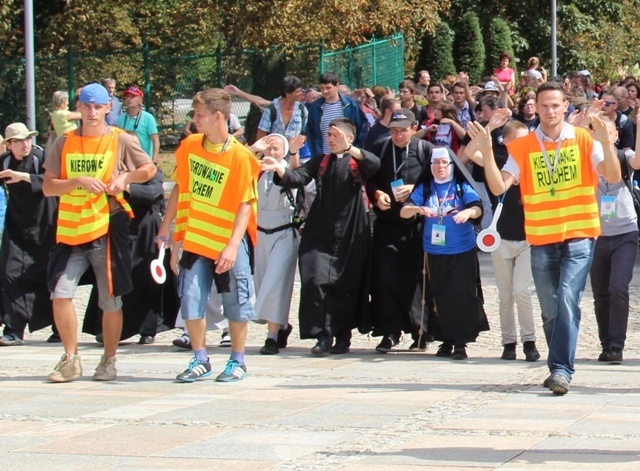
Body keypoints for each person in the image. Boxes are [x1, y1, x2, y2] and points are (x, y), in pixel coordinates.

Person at [469, 81, 621, 395]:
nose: (550, 111)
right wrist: (485, 152)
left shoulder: (583, 139)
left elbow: (613, 175)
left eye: (556, 105)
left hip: (579, 233)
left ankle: (562, 369)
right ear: (535, 108)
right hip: (540, 236)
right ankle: (558, 366)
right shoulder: (522, 147)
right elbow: (500, 187)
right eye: (544, 106)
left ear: (565, 106)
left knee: (567, 298)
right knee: (551, 308)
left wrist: (605, 143)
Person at [42, 83, 157, 382]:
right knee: (60, 293)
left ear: (109, 108)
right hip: (70, 229)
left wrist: (126, 178)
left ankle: (109, 359)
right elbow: (48, 185)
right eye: (87, 106)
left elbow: (149, 169)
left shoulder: (120, 139)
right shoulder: (63, 142)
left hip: (108, 226)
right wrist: (76, 181)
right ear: (77, 108)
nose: (92, 112)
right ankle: (70, 358)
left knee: (110, 300)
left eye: (98, 106)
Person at [157, 88, 260, 383]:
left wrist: (231, 246)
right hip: (194, 238)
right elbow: (180, 188)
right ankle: (200, 357)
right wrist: (168, 232)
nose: (194, 119)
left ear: (218, 117)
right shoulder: (189, 146)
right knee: (190, 300)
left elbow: (246, 205)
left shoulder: (241, 157)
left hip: (227, 242)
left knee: (236, 303)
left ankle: (237, 360)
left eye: (199, 114)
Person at [263, 118, 380, 355]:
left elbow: (374, 165)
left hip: (351, 233)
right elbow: (297, 178)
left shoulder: (357, 161)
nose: (330, 140)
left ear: (349, 138)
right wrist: (279, 167)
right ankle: (322, 335)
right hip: (319, 232)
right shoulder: (321, 160)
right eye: (328, 136)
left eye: (335, 136)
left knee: (346, 284)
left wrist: (350, 149)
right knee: (314, 279)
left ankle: (342, 336)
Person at [400, 148, 488, 360]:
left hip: (462, 250)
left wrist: (468, 212)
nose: (440, 167)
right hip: (434, 251)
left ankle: (460, 342)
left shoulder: (460, 185)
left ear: (451, 165)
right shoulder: (426, 187)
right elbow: (404, 211)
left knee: (462, 295)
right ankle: (445, 339)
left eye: (444, 163)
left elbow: (477, 207)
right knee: (439, 297)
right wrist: (417, 210)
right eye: (436, 163)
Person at [468, 118, 541, 362]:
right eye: (518, 140)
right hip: (500, 237)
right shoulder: (497, 162)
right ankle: (509, 342)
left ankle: (529, 341)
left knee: (522, 291)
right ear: (507, 142)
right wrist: (487, 129)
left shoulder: (535, 163)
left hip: (528, 237)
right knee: (505, 294)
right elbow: (469, 152)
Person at [82, 168, 179, 345]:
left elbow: (154, 193)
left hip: (145, 233)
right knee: (114, 277)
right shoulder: (107, 168)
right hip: (118, 230)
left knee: (147, 281)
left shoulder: (151, 170)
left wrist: (126, 185)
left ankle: (148, 329)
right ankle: (111, 328)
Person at [366, 109, 433, 352]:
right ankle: (388, 331)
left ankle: (420, 331)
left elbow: (436, 180)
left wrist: (415, 188)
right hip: (387, 222)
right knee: (385, 278)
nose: (397, 136)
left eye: (402, 131)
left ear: (413, 129)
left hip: (417, 224)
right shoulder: (380, 148)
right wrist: (377, 193)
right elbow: (369, 177)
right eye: (393, 131)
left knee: (417, 278)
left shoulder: (425, 150)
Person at [0, 123, 57, 346]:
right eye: (19, 141)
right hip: (17, 226)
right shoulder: (4, 161)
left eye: (28, 139)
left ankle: (59, 327)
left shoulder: (42, 157)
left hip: (46, 225)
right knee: (8, 273)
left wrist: (23, 177)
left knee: (48, 276)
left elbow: (54, 182)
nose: (26, 144)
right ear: (9, 145)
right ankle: (13, 329)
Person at [590, 115, 640, 363]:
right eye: (595, 131)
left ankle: (617, 345)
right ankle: (606, 343)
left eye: (605, 131)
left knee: (618, 287)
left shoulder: (623, 157)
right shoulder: (588, 159)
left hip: (624, 233)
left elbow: (639, 162)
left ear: (615, 135)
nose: (599, 135)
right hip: (595, 235)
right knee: (601, 293)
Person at [252, 134, 304, 354]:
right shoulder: (255, 170)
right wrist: (254, 149)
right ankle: (281, 325)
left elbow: (294, 176)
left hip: (283, 231)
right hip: (260, 232)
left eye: (276, 148)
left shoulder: (286, 169)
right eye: (268, 148)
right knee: (262, 282)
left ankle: (272, 336)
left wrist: (290, 155)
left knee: (275, 283)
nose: (271, 152)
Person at [306, 72, 369, 155]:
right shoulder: (315, 107)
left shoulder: (350, 105)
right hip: (324, 156)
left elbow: (362, 128)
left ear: (337, 86)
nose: (324, 91)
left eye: (328, 88)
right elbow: (311, 133)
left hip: (347, 156)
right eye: (322, 88)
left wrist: (356, 149)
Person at [256, 75, 308, 141]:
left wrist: (299, 141)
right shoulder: (271, 110)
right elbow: (260, 135)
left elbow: (305, 132)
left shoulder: (302, 110)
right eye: (297, 92)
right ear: (287, 93)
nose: (301, 93)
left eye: (301, 91)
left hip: (294, 150)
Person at [117, 86, 160, 162]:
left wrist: (154, 160)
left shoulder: (148, 118)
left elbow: (155, 140)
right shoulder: (121, 119)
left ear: (140, 100)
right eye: (127, 97)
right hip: (126, 161)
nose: (129, 99)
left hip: (144, 160)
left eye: (133, 96)